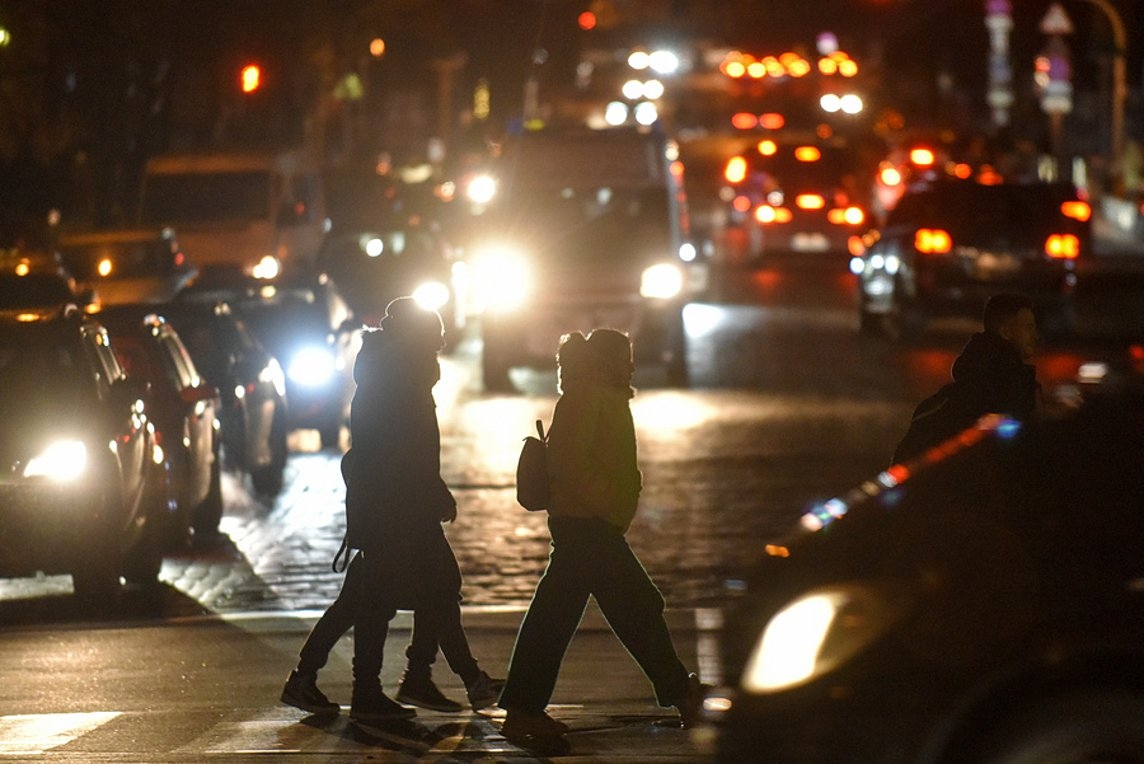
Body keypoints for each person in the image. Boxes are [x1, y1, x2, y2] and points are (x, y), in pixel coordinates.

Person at [281, 297, 500, 723]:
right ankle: (389, 687)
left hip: (393, 504)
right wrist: (429, 491)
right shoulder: (398, 380)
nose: (438, 349)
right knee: (407, 594)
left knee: (372, 597)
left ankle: (315, 679)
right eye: (433, 340)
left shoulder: (393, 373)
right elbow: (400, 451)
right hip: (398, 507)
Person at [497, 328, 704, 755]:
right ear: (609, 360)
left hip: (586, 525)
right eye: (625, 357)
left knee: (561, 617)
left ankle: (522, 709)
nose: (631, 364)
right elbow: (569, 464)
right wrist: (609, 502)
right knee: (637, 607)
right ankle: (682, 694)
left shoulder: (595, 395)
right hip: (587, 526)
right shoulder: (588, 397)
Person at [892, 292, 1042, 464]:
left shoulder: (1014, 384)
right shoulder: (1002, 392)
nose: (1035, 335)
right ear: (1006, 332)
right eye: (1028, 328)